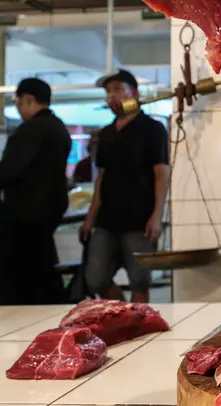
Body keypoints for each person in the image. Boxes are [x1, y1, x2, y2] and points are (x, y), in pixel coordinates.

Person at [0, 78, 72, 305]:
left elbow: (12, 167)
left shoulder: (31, 130)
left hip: (24, 212)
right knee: (41, 268)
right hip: (50, 209)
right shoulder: (59, 128)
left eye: (18, 101)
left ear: (29, 99)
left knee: (9, 273)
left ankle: (5, 315)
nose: (18, 107)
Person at [82, 70, 169, 303]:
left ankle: (139, 326)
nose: (112, 96)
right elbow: (102, 176)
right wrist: (91, 216)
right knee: (96, 278)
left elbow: (161, 174)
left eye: (117, 89)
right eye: (108, 92)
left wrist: (156, 215)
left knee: (140, 279)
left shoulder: (153, 129)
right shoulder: (107, 133)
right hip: (107, 220)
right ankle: (122, 316)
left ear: (134, 93)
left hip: (139, 218)